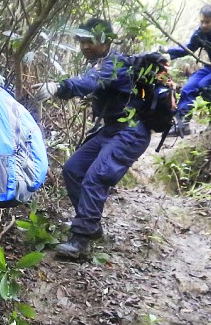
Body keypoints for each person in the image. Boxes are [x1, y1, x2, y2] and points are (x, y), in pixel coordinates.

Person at [31, 18, 151, 259]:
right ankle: (90, 225)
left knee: (96, 176)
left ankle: (81, 242)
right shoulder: (101, 62)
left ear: (104, 41)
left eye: (89, 41)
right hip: (110, 129)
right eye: (81, 41)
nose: (84, 46)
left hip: (130, 131)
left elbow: (88, 83)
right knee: (73, 170)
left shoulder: (115, 62)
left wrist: (59, 87)